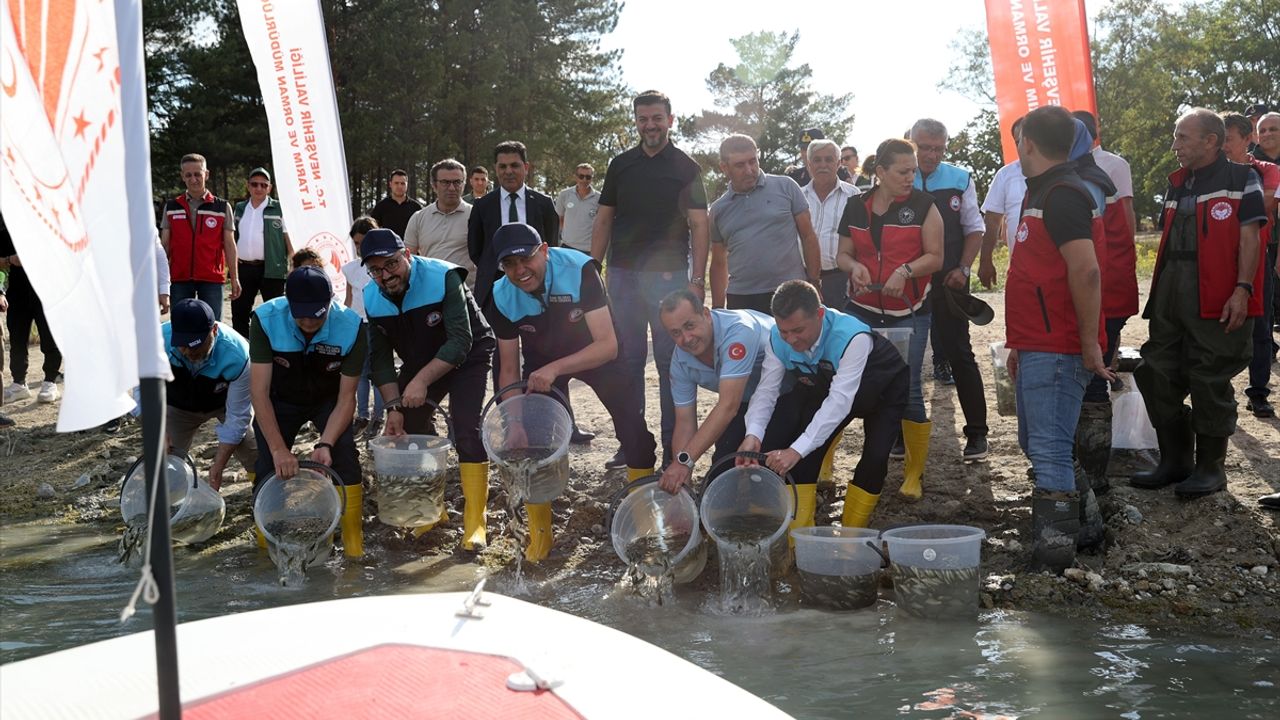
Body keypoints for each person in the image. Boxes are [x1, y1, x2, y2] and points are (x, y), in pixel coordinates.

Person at [490, 224, 657, 560]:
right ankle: (540, 537)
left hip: (598, 354)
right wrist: (516, 421)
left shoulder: (580, 270)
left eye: (526, 259)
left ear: (545, 251)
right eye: (509, 265)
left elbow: (608, 345)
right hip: (540, 363)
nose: (520, 271)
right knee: (531, 443)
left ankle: (644, 524)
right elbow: (508, 366)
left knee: (634, 434)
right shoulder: (500, 294)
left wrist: (555, 369)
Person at [1133, 108, 1267, 498]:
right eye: (1176, 137)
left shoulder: (1244, 178)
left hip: (1219, 295)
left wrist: (1242, 289)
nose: (1175, 146)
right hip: (1172, 293)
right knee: (1156, 370)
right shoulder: (1178, 184)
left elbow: (1250, 239)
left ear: (1211, 140)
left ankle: (1211, 469)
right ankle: (1175, 461)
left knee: (1209, 378)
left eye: (1182, 138)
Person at [1006, 106, 1114, 573]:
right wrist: (1019, 344)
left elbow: (1086, 271)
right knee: (1038, 443)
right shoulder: (1045, 191)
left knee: (1048, 449)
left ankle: (1052, 559)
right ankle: (1088, 530)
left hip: (1058, 345)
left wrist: (1088, 344)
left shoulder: (1063, 194)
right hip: (1037, 342)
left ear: (1027, 142)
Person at [591, 90, 710, 470]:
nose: (650, 125)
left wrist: (697, 279)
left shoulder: (687, 167)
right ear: (636, 121)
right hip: (623, 276)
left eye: (657, 118)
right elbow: (604, 218)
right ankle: (632, 444)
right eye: (643, 119)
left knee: (669, 361)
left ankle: (674, 447)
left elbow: (699, 225)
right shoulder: (620, 165)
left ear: (670, 120)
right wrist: (593, 271)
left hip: (669, 278)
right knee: (626, 360)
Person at [361, 228, 495, 549]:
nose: (385, 275)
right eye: (376, 269)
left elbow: (461, 341)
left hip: (469, 353)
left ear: (407, 255)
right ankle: (432, 510)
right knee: (408, 424)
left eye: (391, 264)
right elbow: (380, 360)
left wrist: (421, 380)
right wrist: (393, 407)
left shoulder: (443, 276)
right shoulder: (370, 295)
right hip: (420, 356)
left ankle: (476, 521)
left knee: (465, 428)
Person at [737, 280, 909, 531]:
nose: (791, 339)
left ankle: (852, 535)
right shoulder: (778, 339)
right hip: (828, 386)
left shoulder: (852, 336)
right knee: (804, 459)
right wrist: (753, 433)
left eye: (798, 330)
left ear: (819, 314)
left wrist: (795, 450)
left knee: (874, 457)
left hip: (883, 387)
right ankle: (799, 535)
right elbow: (766, 391)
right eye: (784, 331)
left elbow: (839, 403)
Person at [836, 138, 944, 500]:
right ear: (879, 173)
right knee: (843, 383)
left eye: (913, 170)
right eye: (903, 171)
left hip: (909, 313)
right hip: (860, 310)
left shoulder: (925, 205)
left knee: (910, 390)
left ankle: (914, 474)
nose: (910, 177)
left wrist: (906, 270)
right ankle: (824, 462)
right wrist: (854, 269)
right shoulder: (855, 206)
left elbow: (936, 257)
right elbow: (843, 255)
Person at [249, 266, 367, 557]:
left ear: (330, 301)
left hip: (328, 400)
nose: (307, 321)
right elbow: (259, 393)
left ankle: (354, 542)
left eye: (316, 313)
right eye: (299, 313)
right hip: (279, 398)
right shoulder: (265, 320)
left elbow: (346, 398)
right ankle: (267, 546)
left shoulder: (352, 327)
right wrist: (278, 450)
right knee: (266, 465)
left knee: (345, 456)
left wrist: (325, 443)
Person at [910, 118, 989, 461]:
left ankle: (977, 434)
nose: (931, 155)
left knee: (960, 354)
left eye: (938, 148)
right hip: (907, 284)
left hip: (950, 281)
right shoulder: (893, 174)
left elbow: (975, 228)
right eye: (924, 147)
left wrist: (964, 268)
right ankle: (901, 434)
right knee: (903, 360)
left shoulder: (960, 178)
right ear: (910, 142)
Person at [1069, 111, 1138, 498]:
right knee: (1093, 378)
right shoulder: (1093, 178)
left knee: (1092, 379)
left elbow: (1097, 253)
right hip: (1105, 292)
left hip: (1099, 295)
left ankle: (1088, 475)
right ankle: (1089, 473)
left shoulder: (1084, 182)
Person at [657, 289, 773, 494]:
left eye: (689, 326)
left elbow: (728, 406)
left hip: (792, 392)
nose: (686, 338)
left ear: (706, 314)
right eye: (676, 333)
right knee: (721, 475)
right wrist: (682, 486)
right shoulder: (679, 361)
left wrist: (684, 462)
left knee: (765, 466)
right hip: (748, 401)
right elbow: (684, 422)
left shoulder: (739, 331)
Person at [710, 134, 822, 313]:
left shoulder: (786, 186)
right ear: (724, 168)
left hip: (791, 292)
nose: (749, 170)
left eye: (752, 161)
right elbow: (718, 262)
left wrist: (814, 281)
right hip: (742, 298)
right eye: (740, 165)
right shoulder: (718, 209)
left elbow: (808, 236)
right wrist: (717, 310)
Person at [163, 299, 258, 490]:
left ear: (214, 330)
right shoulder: (157, 342)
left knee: (254, 452)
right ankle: (174, 502)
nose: (188, 351)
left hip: (224, 404)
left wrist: (219, 465)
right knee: (166, 461)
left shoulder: (238, 354)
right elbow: (142, 393)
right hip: (177, 407)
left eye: (195, 345)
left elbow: (238, 416)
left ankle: (264, 488)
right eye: (182, 344)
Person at [1224, 113, 1280, 419]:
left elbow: (1267, 205)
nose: (1224, 146)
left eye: (1229, 139)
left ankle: (1258, 393)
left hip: (1259, 255)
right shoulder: (1211, 170)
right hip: (1219, 257)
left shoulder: (1266, 169)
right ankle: (1222, 390)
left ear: (1248, 139)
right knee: (1220, 324)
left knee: (1260, 325)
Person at [160, 153, 240, 321]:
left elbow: (230, 245)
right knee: (181, 325)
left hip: (211, 278)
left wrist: (235, 278)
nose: (193, 179)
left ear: (207, 174)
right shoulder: (171, 206)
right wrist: (160, 282)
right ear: (182, 176)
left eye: (198, 174)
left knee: (212, 326)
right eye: (188, 175)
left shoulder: (222, 207)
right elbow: (164, 247)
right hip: (179, 277)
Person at [1, 214, 62, 405]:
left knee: (49, 335)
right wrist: (10, 260)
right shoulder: (5, 224)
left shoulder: (44, 217)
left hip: (46, 288)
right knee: (17, 337)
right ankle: (19, 383)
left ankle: (50, 381)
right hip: (16, 290)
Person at [231, 167, 294, 338]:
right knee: (239, 312)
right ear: (248, 186)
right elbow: (231, 238)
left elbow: (288, 238)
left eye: (263, 185)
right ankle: (242, 353)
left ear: (270, 188)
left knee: (277, 314)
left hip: (272, 269)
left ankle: (277, 352)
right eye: (254, 184)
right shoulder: (239, 208)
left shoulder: (280, 208)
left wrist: (293, 264)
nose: (259, 188)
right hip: (243, 268)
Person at [802, 139, 862, 308]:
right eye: (817, 160)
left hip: (841, 279)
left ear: (837, 164)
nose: (823, 165)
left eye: (829, 160)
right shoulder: (797, 197)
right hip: (803, 278)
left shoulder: (854, 195)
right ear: (809, 164)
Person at [340, 216, 385, 438]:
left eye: (363, 242)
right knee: (359, 373)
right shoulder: (350, 269)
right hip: (358, 324)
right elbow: (349, 299)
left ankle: (379, 416)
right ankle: (362, 415)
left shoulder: (385, 266)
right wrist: (344, 323)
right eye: (356, 243)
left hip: (379, 324)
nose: (360, 248)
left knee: (378, 372)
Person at [404, 159, 476, 283]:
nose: (452, 188)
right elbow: (408, 260)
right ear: (434, 185)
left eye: (457, 182)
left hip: (468, 293)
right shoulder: (419, 218)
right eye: (445, 182)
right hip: (430, 293)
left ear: (464, 184)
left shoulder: (475, 216)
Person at [979, 118, 1027, 288]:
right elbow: (992, 220)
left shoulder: (1064, 173)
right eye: (1018, 141)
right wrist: (985, 260)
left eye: (1026, 139)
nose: (1023, 145)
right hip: (1019, 272)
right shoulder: (1006, 174)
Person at [554, 164, 600, 253]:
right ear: (576, 177)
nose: (584, 180)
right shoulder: (564, 195)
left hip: (588, 250)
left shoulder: (599, 198)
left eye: (588, 177)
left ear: (592, 178)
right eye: (581, 176)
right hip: (566, 247)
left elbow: (601, 224)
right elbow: (560, 219)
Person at [368, 169, 423, 238]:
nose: (399, 186)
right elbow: (372, 230)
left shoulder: (416, 207)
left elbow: (422, 231)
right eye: (396, 183)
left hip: (409, 247)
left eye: (403, 183)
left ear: (407, 185)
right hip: (387, 247)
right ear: (390, 184)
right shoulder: (381, 207)